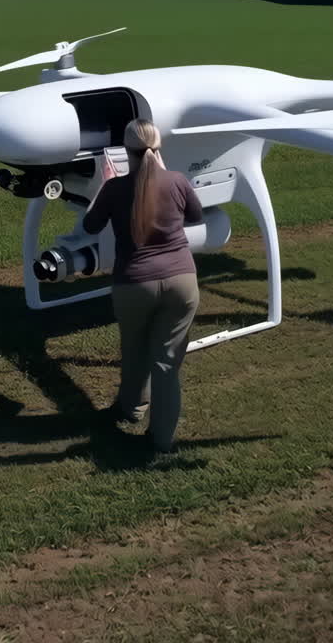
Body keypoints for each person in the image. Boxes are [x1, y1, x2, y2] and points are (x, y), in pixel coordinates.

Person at [82, 118, 203, 454]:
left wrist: (104, 184)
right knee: (166, 363)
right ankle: (161, 440)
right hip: (182, 281)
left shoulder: (115, 188)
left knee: (134, 350)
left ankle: (132, 409)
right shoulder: (176, 181)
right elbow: (196, 217)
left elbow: (90, 225)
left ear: (125, 151)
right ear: (158, 148)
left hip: (133, 284)